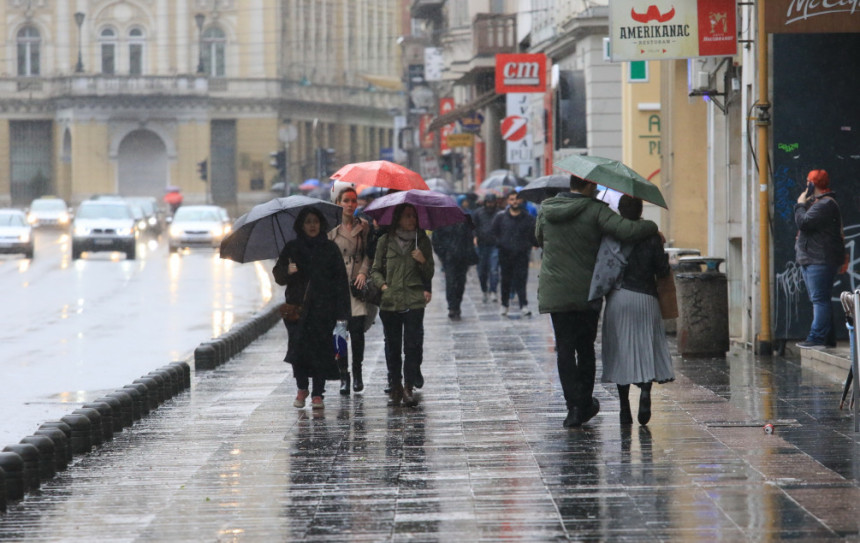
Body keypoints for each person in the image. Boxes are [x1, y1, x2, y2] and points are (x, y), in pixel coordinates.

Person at [536, 175, 658, 428]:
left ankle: (573, 409)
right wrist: (652, 227)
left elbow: (538, 238)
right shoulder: (595, 210)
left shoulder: (546, 209)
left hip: (554, 290)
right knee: (585, 348)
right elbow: (627, 230)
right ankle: (584, 403)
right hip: (586, 292)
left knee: (565, 349)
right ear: (590, 186)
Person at [599, 195, 675, 425]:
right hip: (646, 299)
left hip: (618, 298)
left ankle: (624, 407)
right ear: (641, 211)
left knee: (621, 351)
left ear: (620, 211)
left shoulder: (611, 236)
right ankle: (644, 392)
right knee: (646, 349)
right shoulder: (652, 236)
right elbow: (662, 271)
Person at [273, 207, 351, 410]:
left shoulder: (329, 249)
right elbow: (279, 276)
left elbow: (340, 282)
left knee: (320, 352)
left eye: (315, 221)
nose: (312, 225)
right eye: (308, 221)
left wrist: (342, 314)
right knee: (298, 351)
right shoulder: (292, 248)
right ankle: (301, 387)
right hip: (297, 311)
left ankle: (317, 393)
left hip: (323, 310)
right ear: (301, 224)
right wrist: (287, 271)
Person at [370, 203, 434, 407]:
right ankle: (395, 385)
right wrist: (383, 287)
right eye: (407, 216)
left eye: (413, 216)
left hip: (414, 299)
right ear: (397, 218)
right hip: (390, 301)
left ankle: (408, 387)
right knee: (393, 346)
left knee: (413, 345)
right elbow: (375, 270)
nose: (411, 220)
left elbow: (429, 273)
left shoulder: (422, 241)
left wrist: (422, 260)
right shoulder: (384, 240)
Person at [795, 169, 845, 349]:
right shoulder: (817, 203)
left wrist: (800, 204)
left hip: (820, 259)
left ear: (812, 184)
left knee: (819, 299)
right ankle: (828, 338)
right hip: (812, 258)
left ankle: (816, 337)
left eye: (808, 181)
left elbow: (804, 222)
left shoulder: (825, 204)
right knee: (820, 298)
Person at [328, 187, 371, 394]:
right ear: (338, 202)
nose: (350, 204)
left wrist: (363, 273)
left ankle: (358, 372)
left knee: (357, 332)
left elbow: (368, 254)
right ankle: (343, 374)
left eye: (354, 201)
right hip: (337, 288)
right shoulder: (330, 229)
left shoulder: (364, 227)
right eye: (346, 200)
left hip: (356, 287)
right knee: (340, 333)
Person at [491, 191, 537, 317]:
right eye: (511, 199)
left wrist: (531, 244)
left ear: (521, 200)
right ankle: (504, 304)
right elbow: (494, 232)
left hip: (522, 254)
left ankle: (524, 304)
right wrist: (500, 243)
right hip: (505, 254)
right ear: (507, 201)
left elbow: (533, 234)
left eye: (517, 199)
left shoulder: (528, 218)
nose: (514, 202)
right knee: (505, 280)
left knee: (521, 280)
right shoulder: (500, 217)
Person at [433, 217, 477, 320]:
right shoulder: (441, 223)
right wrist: (443, 255)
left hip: (462, 258)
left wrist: (469, 255)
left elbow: (469, 238)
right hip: (449, 259)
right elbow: (436, 240)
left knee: (461, 282)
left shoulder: (464, 222)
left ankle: (457, 305)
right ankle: (452, 307)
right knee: (451, 282)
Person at [472, 194, 500, 303]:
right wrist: (474, 236)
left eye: (492, 202)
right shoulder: (478, 213)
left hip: (495, 245)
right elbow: (473, 226)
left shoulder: (499, 213)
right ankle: (484, 290)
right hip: (481, 245)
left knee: (494, 270)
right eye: (488, 202)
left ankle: (493, 291)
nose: (490, 205)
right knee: (481, 271)